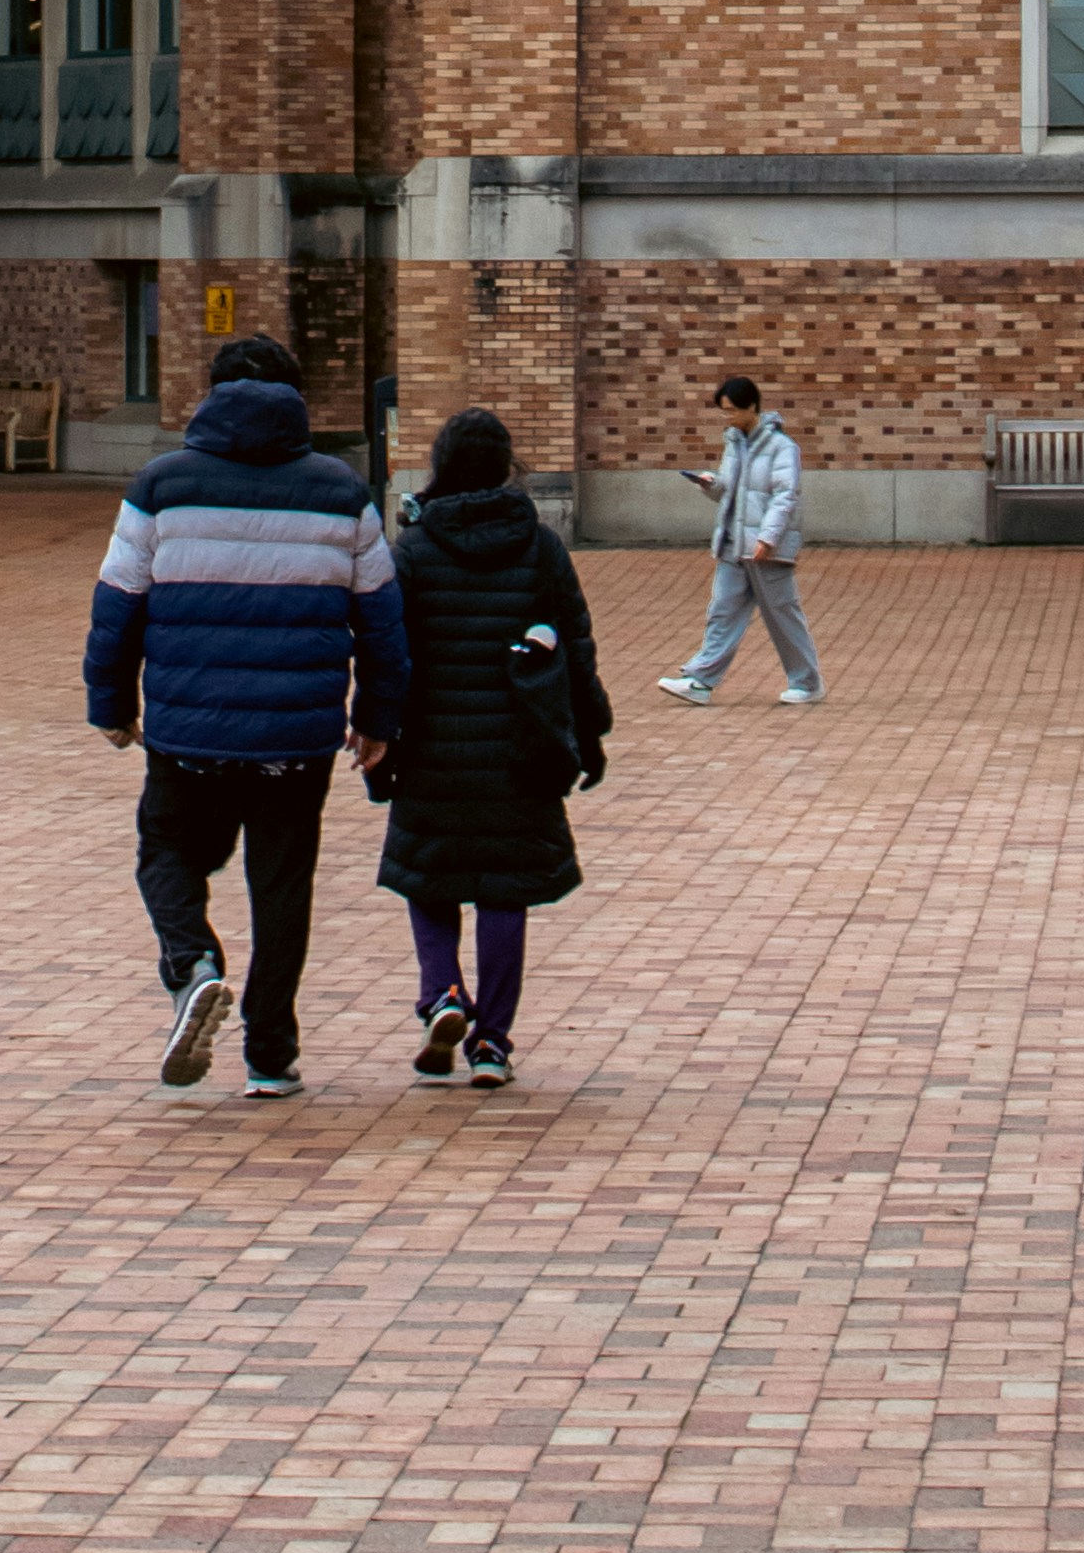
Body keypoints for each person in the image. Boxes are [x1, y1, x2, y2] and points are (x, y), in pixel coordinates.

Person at [82, 329, 405, 1100]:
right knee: (283, 887)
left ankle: (192, 962)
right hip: (297, 735)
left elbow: (116, 606)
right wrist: (378, 717)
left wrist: (112, 704)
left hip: (188, 731)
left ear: (212, 394)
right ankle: (271, 1053)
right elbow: (383, 623)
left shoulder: (161, 485)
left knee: (166, 853)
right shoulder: (340, 489)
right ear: (297, 400)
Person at [363, 406, 607, 1087]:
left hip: (434, 744)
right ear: (505, 467)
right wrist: (590, 735)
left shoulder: (412, 549)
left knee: (430, 876)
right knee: (505, 891)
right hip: (519, 748)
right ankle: (493, 1042)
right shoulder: (540, 545)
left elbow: (388, 652)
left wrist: (377, 728)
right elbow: (576, 649)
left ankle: (442, 992)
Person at [657, 371, 820, 707]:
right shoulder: (733, 442)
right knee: (723, 610)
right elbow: (731, 492)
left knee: (782, 615)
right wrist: (710, 484)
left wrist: (768, 538)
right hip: (733, 543)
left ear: (752, 407)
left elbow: (785, 496)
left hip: (764, 547)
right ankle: (700, 681)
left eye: (732, 411)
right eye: (724, 412)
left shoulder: (782, 448)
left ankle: (807, 682)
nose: (728, 418)